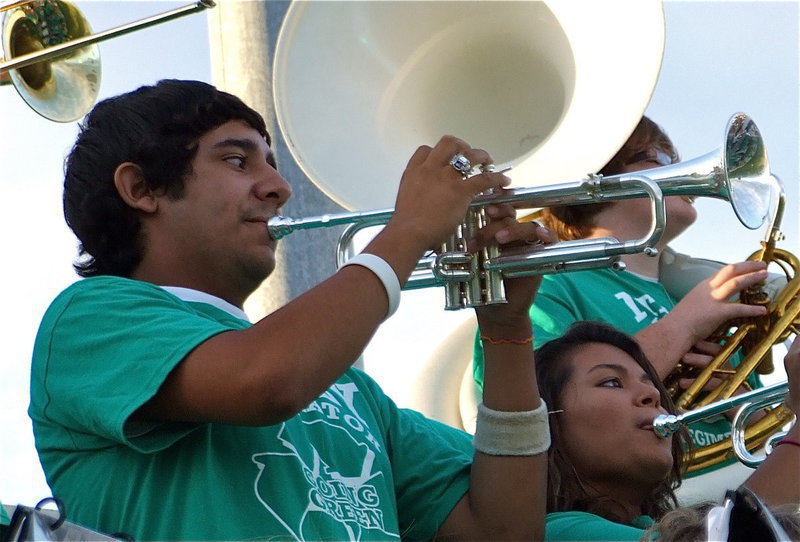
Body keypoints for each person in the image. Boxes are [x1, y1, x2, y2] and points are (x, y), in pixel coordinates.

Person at [29, 79, 554, 541]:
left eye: (272, 165)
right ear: (140, 188)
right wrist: (408, 232)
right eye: (237, 161)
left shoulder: (350, 387)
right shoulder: (88, 318)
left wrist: (506, 332)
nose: (279, 189)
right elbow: (265, 380)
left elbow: (503, 531)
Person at [473, 116, 772, 474]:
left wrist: (745, 409)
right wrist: (684, 326)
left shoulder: (700, 300)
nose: (682, 170)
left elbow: (766, 431)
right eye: (662, 158)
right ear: (602, 175)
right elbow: (540, 406)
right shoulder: (547, 284)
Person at [533, 320, 800, 541]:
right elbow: (736, 536)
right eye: (612, 382)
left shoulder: (650, 528)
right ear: (545, 422)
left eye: (650, 383)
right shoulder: (558, 531)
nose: (652, 394)